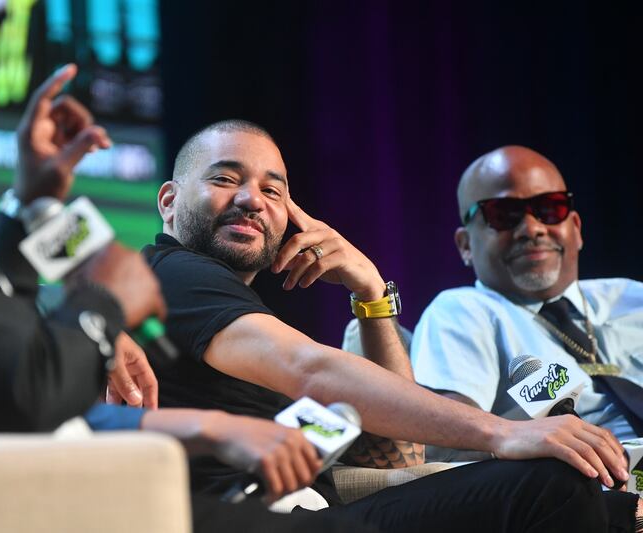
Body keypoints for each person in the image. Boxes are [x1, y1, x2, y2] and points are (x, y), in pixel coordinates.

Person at [0, 4, 374, 532]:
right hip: (25, 492)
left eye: (272, 189)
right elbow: (26, 391)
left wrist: (29, 201)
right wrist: (104, 305)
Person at [142, 119, 641, 531]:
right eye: (225, 179)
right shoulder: (173, 273)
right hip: (250, 520)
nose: (253, 199)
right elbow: (308, 367)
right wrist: (502, 434)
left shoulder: (229, 309)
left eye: (272, 189)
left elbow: (401, 458)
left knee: (574, 493)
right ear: (168, 201)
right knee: (550, 487)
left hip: (311, 513)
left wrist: (371, 293)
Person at [404, 146, 643, 453]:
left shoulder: (632, 298)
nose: (532, 229)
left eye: (549, 208)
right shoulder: (463, 311)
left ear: (577, 228)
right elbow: (441, 448)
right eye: (504, 215)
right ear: (465, 245)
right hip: (596, 489)